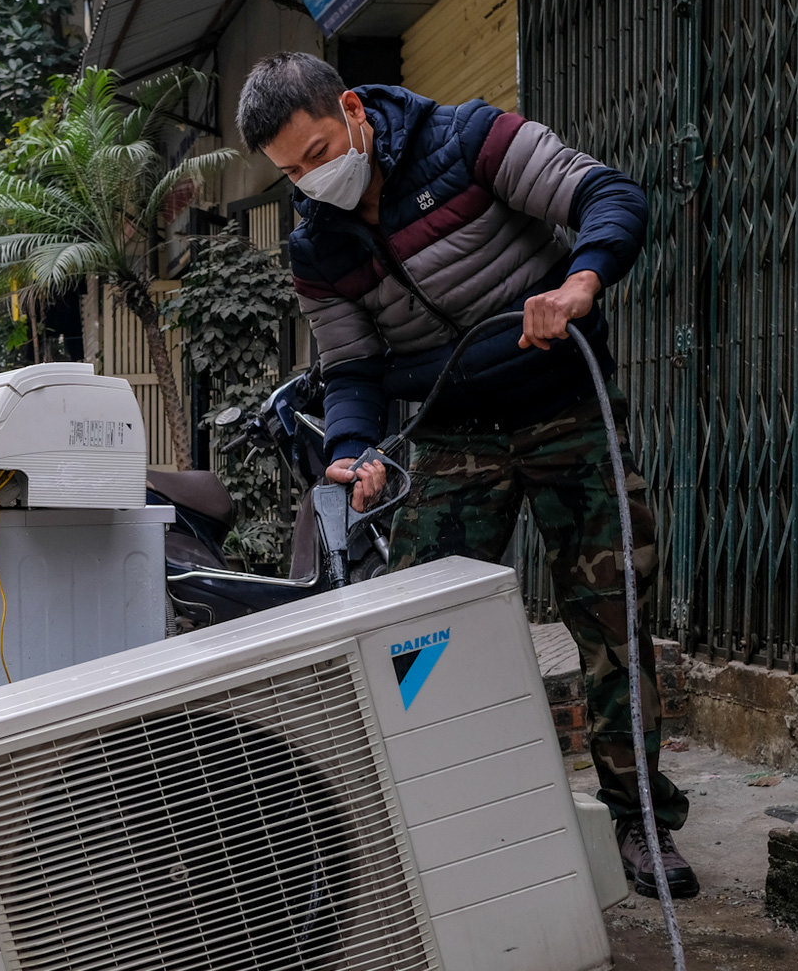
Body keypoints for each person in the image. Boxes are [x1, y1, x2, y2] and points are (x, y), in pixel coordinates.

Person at [235, 51, 694, 898]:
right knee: (416, 642)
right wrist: (355, 449)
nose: (311, 179)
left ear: (352, 110)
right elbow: (352, 368)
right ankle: (440, 823)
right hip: (453, 439)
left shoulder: (471, 138)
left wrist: (581, 281)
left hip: (568, 413)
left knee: (612, 622)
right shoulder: (318, 244)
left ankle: (640, 821)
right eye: (291, 172)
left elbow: (609, 194)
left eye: (318, 151)